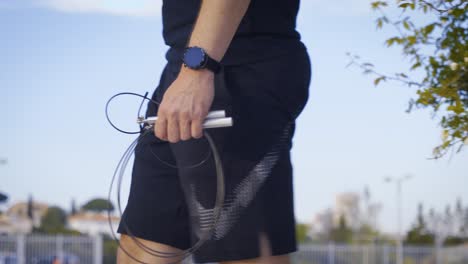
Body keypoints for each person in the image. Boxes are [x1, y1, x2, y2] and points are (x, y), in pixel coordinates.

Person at [116, 0, 311, 263]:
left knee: (242, 249)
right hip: (182, 67)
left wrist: (198, 68)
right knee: (143, 242)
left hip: (232, 63)